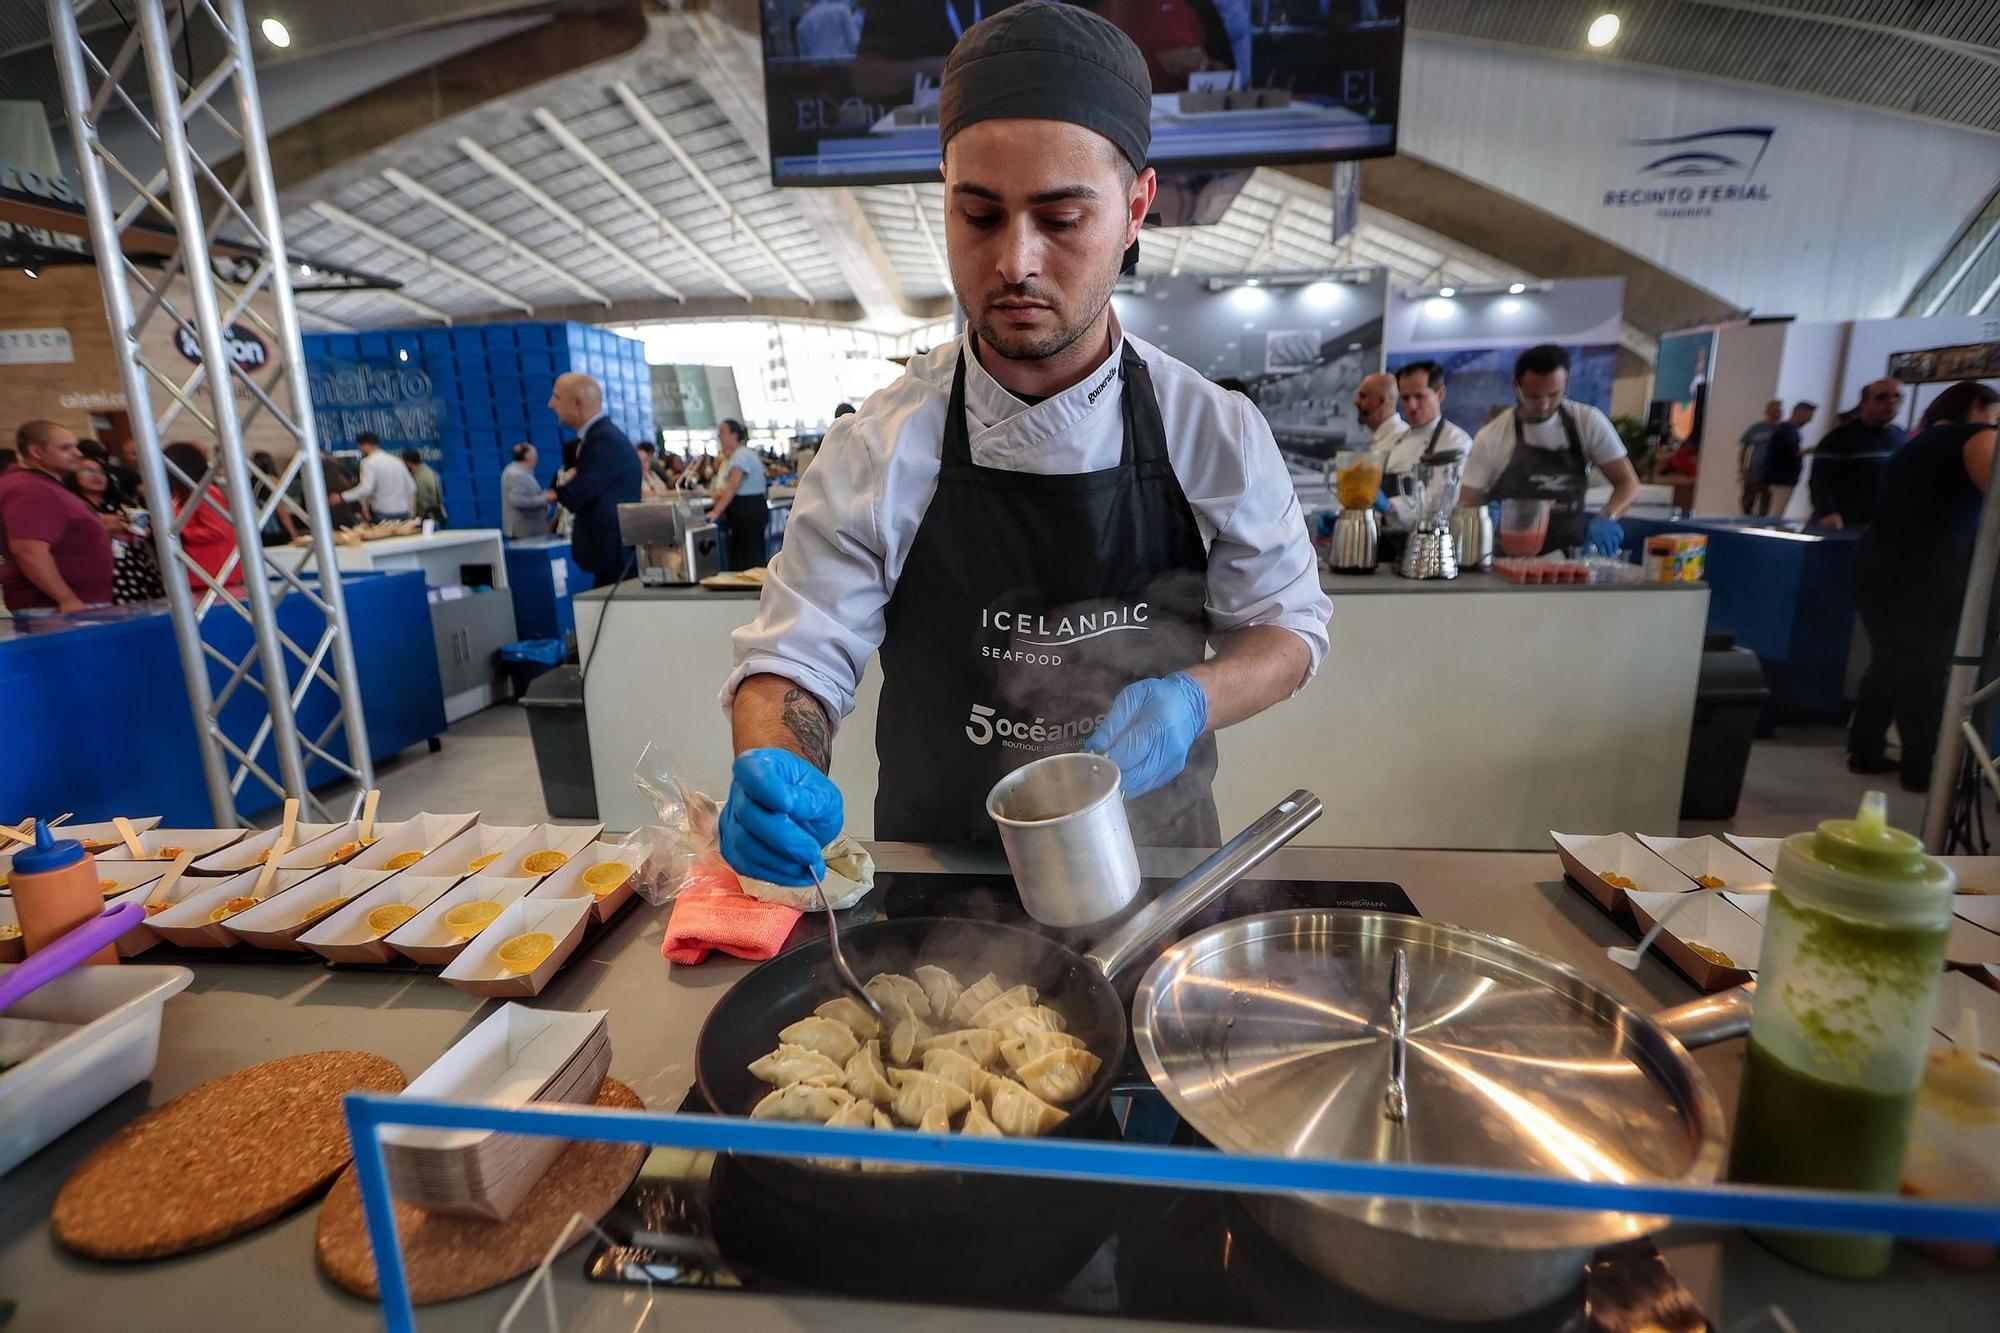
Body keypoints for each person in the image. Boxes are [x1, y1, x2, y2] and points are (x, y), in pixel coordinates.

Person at [719, 2, 1331, 883]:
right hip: (938, 881)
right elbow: (797, 657)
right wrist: (774, 764)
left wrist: (1192, 698)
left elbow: (1288, 627)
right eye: (979, 216)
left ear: (1136, 209)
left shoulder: (1213, 430)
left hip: (1157, 871)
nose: (1016, 261)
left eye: (1062, 218)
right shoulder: (879, 445)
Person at [1845, 381, 2000, 790]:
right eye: (1995, 414)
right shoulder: (1974, 436)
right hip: (1927, 569)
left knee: (1889, 661)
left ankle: (1865, 750)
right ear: (1975, 407)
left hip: (1881, 562)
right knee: (1925, 668)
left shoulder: (1918, 442)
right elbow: (1996, 492)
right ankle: (1920, 768)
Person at [1460, 345, 1641, 556]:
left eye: (1554, 395)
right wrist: (1482, 516)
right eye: (1534, 396)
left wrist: (1608, 517)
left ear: (1566, 385)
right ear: (1516, 387)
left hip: (1567, 558)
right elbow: (1468, 500)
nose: (1544, 404)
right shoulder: (1492, 436)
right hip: (1506, 561)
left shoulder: (1587, 422)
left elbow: (1628, 483)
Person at [0, 421, 115, 613]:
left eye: (75, 446)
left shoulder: (42, 484)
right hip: (55, 607)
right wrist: (66, 599)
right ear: (36, 452)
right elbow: (28, 549)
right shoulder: (31, 488)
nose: (78, 453)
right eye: (66, 448)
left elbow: (57, 534)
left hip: (71, 602)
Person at [548, 373, 643, 587]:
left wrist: (558, 488)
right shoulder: (597, 437)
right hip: (609, 557)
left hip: (614, 557)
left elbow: (576, 495)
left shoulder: (603, 440)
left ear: (577, 402)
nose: (551, 404)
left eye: (557, 397)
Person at [1380, 360, 1472, 539]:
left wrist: (1390, 506)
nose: (1411, 406)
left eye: (1419, 396)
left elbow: (1442, 501)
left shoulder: (1456, 441)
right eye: (1405, 398)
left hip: (1430, 543)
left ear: (1440, 394)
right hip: (1390, 542)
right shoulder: (1398, 438)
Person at [1808, 378, 1906, 529]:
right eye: (1881, 397)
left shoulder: (1900, 436)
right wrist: (1828, 512)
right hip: (1846, 522)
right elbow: (1820, 480)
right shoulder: (1839, 438)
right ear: (1865, 402)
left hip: (1883, 522)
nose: (1891, 402)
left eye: (1896, 396)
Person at [67, 454, 163, 603]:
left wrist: (143, 529)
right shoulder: (73, 506)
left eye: (101, 472)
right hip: (101, 568)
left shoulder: (122, 503)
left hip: (135, 563)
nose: (97, 476)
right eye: (87, 471)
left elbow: (146, 527)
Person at [162, 440, 244, 596]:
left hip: (216, 573)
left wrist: (180, 533)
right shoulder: (179, 493)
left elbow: (218, 530)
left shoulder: (204, 492)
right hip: (197, 573)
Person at [710, 419, 770, 573]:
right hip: (752, 509)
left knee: (750, 557)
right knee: (748, 553)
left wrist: (715, 512)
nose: (719, 436)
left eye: (722, 432)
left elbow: (732, 487)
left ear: (734, 434)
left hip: (748, 511)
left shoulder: (740, 456)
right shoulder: (742, 454)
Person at [1756, 401, 1815, 518]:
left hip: (1781, 478)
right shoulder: (1786, 431)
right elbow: (1783, 456)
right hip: (1780, 479)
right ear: (1800, 413)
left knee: (1774, 513)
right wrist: (1802, 453)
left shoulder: (1789, 431)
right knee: (1775, 514)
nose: (1809, 421)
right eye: (1809, 416)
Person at [342, 432, 415, 522]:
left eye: (360, 447)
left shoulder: (368, 462)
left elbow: (366, 488)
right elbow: (412, 487)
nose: (360, 450)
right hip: (403, 512)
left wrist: (343, 497)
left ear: (365, 445)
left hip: (382, 513)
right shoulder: (396, 461)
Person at [1738, 400, 1782, 514]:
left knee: (1766, 501)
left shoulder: (1782, 430)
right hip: (1754, 470)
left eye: (1778, 410)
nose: (1776, 412)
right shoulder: (1756, 428)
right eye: (1774, 409)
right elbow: (1744, 449)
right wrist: (1743, 469)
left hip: (1771, 473)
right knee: (1748, 500)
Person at [501, 443, 549, 539]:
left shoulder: (522, 472)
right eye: (534, 455)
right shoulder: (516, 474)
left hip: (530, 530)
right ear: (527, 456)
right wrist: (545, 498)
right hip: (524, 531)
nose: (536, 458)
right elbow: (518, 501)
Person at [1352, 371, 1403, 450]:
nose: (1356, 401)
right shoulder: (1381, 439)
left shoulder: (1401, 440)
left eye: (1362, 396)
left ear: (1381, 401)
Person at [795, 0, 861, 57]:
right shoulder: (842, 11)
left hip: (817, 69)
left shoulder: (803, 24)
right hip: (842, 67)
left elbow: (805, 58)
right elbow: (854, 44)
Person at [402, 449, 447, 524]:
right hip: (436, 515)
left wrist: (413, 520)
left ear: (408, 462)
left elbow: (420, 501)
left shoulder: (421, 477)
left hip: (429, 519)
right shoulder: (427, 471)